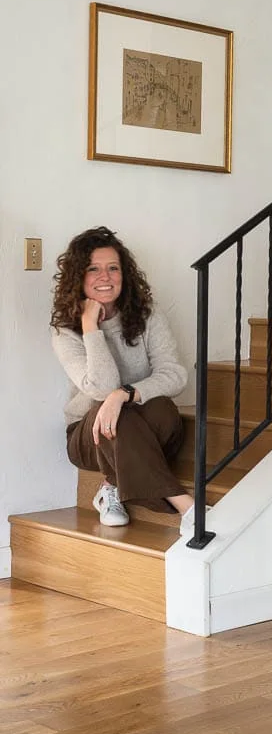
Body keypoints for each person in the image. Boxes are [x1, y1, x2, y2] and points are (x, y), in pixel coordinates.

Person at [50, 226, 202, 535]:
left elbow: (175, 375)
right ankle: (186, 505)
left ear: (125, 274)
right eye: (93, 269)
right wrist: (90, 326)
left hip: (151, 424)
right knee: (113, 419)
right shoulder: (66, 331)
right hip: (89, 436)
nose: (105, 277)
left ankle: (112, 483)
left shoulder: (148, 316)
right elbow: (101, 388)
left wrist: (123, 395)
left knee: (157, 408)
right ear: (79, 277)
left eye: (113, 268)